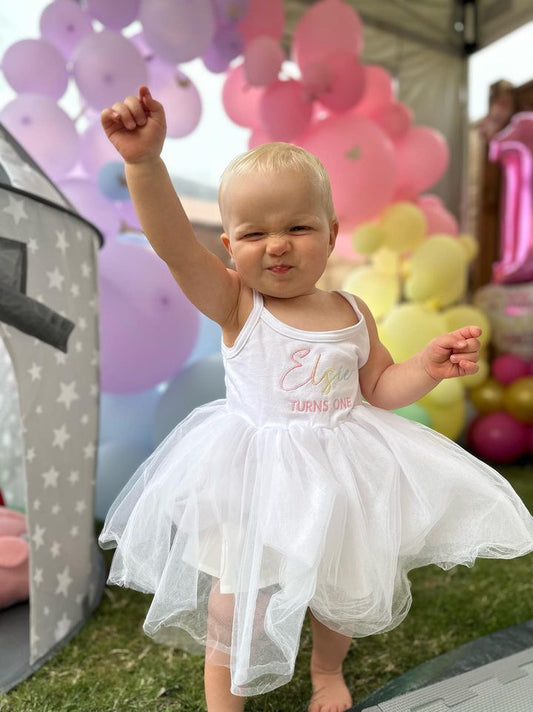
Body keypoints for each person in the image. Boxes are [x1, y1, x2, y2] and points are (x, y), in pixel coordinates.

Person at [98, 86, 533, 712]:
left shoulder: (352, 311)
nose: (277, 245)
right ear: (228, 246)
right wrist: (144, 164)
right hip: (253, 475)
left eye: (297, 227)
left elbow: (379, 389)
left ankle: (328, 672)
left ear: (330, 235)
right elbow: (171, 242)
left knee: (343, 583)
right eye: (254, 233)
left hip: (337, 475)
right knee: (235, 599)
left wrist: (425, 367)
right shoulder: (237, 305)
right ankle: (227, 700)